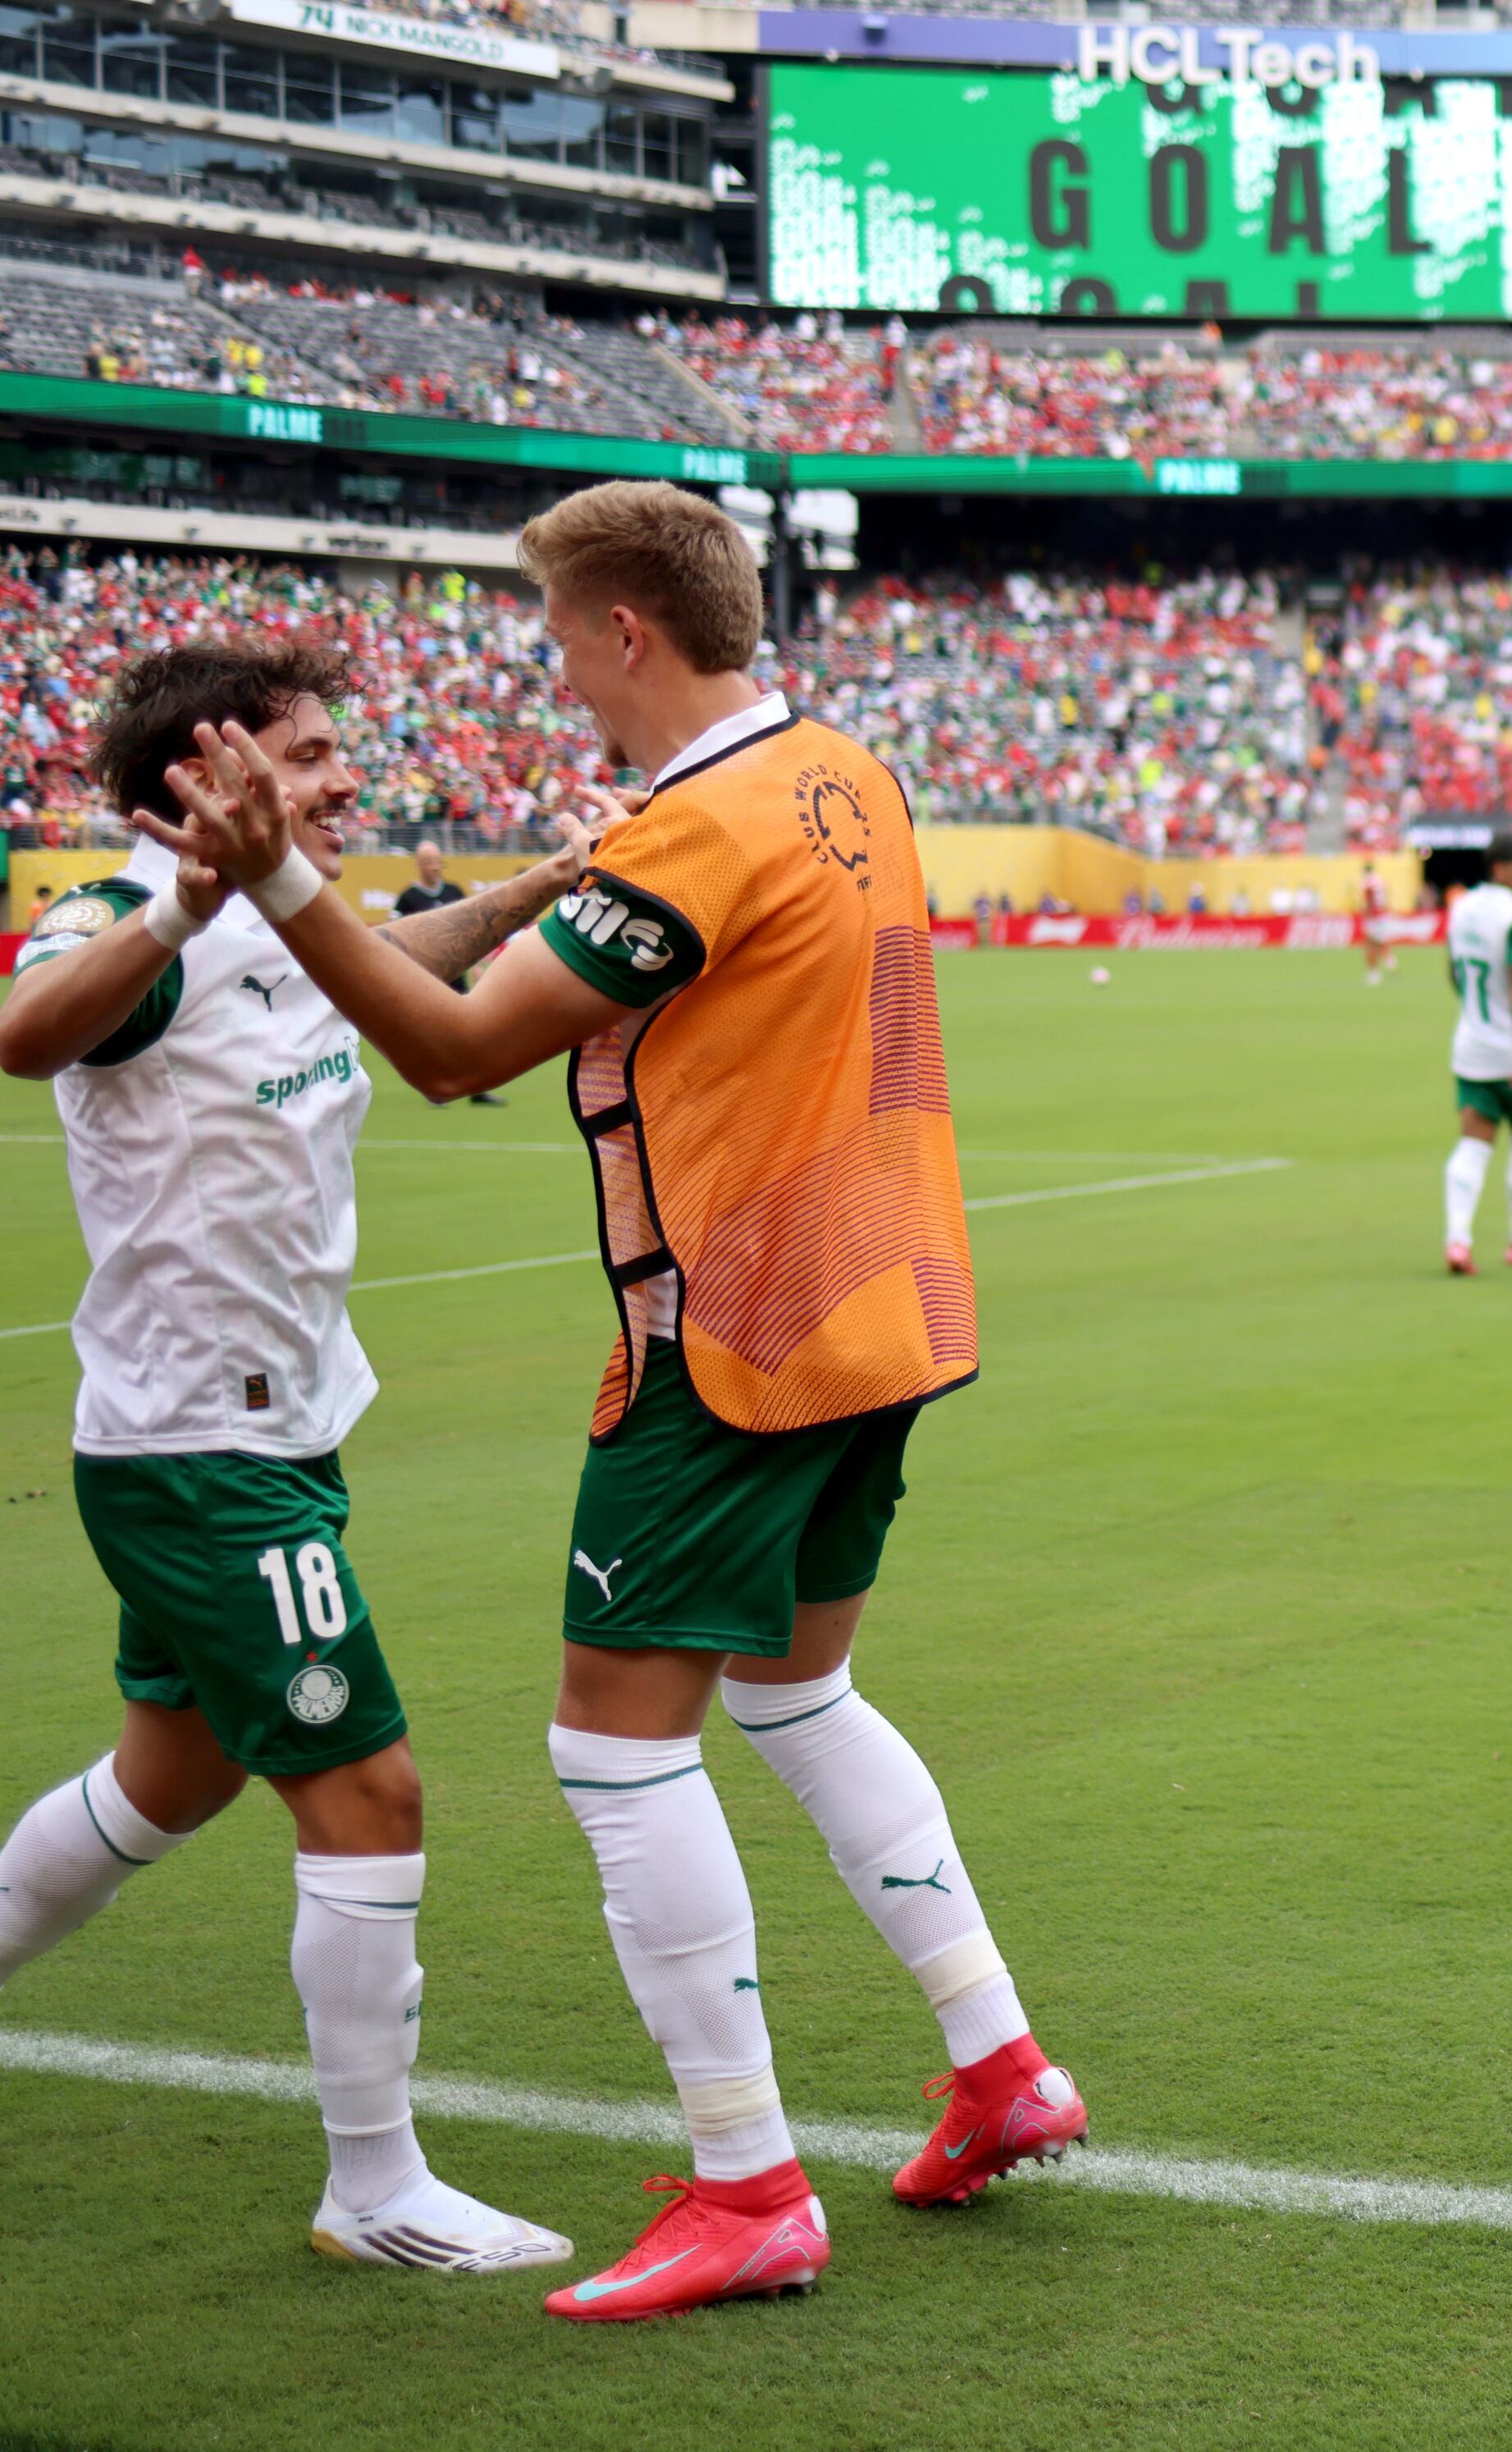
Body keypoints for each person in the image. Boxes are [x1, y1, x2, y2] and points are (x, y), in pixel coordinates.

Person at [135, 481, 1085, 2323]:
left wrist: (277, 877)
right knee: (800, 1690)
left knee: (616, 1744)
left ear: (624, 631)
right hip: (890, 1305)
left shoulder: (694, 833)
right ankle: (996, 2062)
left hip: (730, 1339)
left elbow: (453, 1049)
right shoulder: (846, 770)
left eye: (558, 630)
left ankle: (744, 2180)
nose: (548, 661)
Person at [0, 638, 591, 2277]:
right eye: (314, 753)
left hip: (267, 1433)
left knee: (170, 1776)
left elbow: (410, 951)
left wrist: (544, 884)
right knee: (371, 1787)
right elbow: (27, 1030)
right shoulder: (131, 921)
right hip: (204, 1452)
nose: (349, 777)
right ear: (211, 776)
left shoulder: (282, 917)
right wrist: (182, 907)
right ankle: (374, 2186)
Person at [1441, 830, 1512, 1271]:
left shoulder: (1462, 908)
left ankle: (1458, 1238)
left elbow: (1453, 973)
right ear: (1502, 867)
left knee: (1472, 1147)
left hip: (1472, 1048)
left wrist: (1476, 1016)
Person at [389, 841, 509, 1103]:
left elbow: (471, 933)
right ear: (419, 864)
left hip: (456, 974)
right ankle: (433, 1087)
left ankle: (478, 1089)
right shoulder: (408, 898)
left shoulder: (454, 891)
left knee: (472, 1030)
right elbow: (394, 938)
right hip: (423, 976)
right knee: (428, 1034)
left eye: (437, 861)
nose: (434, 867)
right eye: (429, 862)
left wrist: (477, 964)